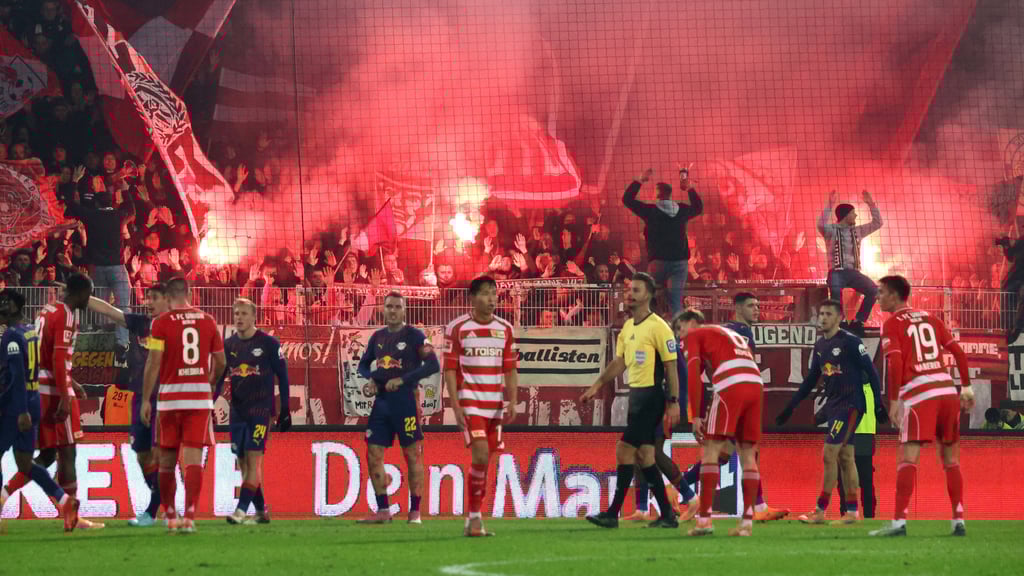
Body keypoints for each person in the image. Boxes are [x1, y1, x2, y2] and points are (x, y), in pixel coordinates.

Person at [869, 275, 973, 537]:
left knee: (908, 458)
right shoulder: (931, 318)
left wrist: (893, 401)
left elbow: (894, 363)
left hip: (920, 394)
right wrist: (967, 387)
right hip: (948, 391)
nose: (878, 297)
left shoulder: (891, 324)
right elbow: (958, 353)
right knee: (950, 460)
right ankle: (958, 520)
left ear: (894, 295)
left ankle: (898, 523)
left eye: (881, 292)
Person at [675, 293, 789, 522]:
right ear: (736, 309)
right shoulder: (739, 332)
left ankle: (683, 496)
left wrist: (694, 410)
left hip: (728, 391)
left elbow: (696, 373)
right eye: (751, 305)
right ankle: (755, 510)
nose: (756, 309)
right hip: (742, 391)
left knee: (719, 453)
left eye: (757, 305)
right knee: (740, 451)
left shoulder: (715, 332)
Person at [581, 272, 681, 529]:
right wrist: (597, 384)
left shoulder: (659, 326)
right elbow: (620, 362)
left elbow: (670, 367)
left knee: (624, 450)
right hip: (636, 396)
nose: (630, 294)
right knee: (645, 456)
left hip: (651, 397)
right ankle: (668, 515)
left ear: (647, 295)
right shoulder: (628, 327)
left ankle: (612, 513)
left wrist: (673, 400)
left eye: (635, 290)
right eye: (628, 290)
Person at [775, 299, 885, 525]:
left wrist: (878, 403)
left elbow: (872, 373)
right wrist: (791, 406)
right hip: (835, 406)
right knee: (846, 457)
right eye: (821, 313)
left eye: (828, 314)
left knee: (829, 453)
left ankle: (820, 510)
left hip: (851, 404)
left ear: (839, 317)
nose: (822, 317)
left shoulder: (851, 342)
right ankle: (853, 513)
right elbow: (810, 381)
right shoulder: (820, 346)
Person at [6, 274, 101, 529]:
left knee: (47, 454)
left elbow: (46, 354)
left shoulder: (47, 310)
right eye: (88, 294)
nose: (88, 300)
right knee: (67, 451)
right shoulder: (67, 314)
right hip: (55, 391)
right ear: (80, 293)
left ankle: (4, 495)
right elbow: (59, 359)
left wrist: (72, 382)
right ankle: (73, 515)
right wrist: (64, 393)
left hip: (40, 386)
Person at [141, 277, 226, 533]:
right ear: (189, 294)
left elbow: (154, 362)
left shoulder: (161, 323)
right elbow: (221, 362)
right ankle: (189, 516)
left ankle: (169, 517)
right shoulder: (208, 321)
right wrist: (209, 383)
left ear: (167, 297)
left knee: (166, 462)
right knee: (193, 461)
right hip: (198, 400)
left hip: (170, 401)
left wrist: (146, 399)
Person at [87, 283, 169, 527]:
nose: (148, 302)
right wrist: (82, 299)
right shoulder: (143, 324)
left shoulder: (176, 327)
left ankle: (155, 511)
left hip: (164, 399)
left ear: (167, 299)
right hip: (140, 397)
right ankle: (163, 503)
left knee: (161, 455)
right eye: (147, 298)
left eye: (154, 298)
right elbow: (111, 311)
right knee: (142, 456)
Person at [356, 291, 440, 525]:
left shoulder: (415, 336)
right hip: (381, 403)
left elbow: (433, 365)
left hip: (406, 401)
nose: (392, 311)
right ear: (383, 309)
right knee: (373, 454)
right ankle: (383, 510)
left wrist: (403, 380)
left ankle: (415, 512)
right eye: (389, 306)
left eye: (397, 307)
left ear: (404, 311)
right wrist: (371, 379)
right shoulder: (377, 337)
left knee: (412, 454)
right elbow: (362, 365)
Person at [444, 276, 518, 537]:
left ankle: (472, 517)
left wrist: (513, 400)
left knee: (485, 462)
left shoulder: (505, 329)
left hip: (495, 405)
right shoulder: (458, 328)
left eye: (494, 294)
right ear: (472, 298)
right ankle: (475, 518)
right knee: (481, 455)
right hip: (471, 402)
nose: (491, 299)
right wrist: (455, 404)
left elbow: (510, 368)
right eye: (486, 294)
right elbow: (450, 370)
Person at [0, 289, 80, 533]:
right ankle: (65, 501)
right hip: (34, 400)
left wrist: (20, 409)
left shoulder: (12, 336)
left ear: (15, 307)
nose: (1, 306)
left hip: (17, 406)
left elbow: (17, 375)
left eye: (5, 302)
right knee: (26, 463)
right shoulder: (30, 331)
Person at [679, 309, 763, 537]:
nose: (680, 335)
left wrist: (695, 415)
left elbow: (693, 375)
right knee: (747, 453)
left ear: (692, 323)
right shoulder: (725, 333)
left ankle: (704, 520)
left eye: (680, 328)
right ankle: (746, 523)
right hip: (755, 383)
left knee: (711, 449)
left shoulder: (694, 335)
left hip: (731, 383)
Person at [219, 298, 291, 525]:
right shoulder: (228, 345)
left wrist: (285, 410)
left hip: (261, 410)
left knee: (253, 459)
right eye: (236, 313)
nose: (239, 317)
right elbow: (220, 378)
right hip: (237, 411)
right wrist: (209, 403)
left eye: (243, 313)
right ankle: (261, 512)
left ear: (254, 317)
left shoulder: (269, 343)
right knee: (242, 462)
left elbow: (284, 377)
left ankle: (240, 511)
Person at [627, 311, 696, 523]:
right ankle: (641, 509)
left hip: (662, 407)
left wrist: (675, 405)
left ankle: (690, 497)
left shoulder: (667, 345)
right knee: (639, 452)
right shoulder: (653, 344)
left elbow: (680, 377)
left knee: (652, 452)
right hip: (648, 405)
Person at [622, 168, 703, 316]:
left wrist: (640, 180)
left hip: (657, 263)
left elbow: (627, 199)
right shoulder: (682, 210)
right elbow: (699, 208)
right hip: (679, 263)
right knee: (675, 303)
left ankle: (653, 330)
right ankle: (677, 336)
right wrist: (689, 188)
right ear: (670, 194)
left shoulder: (650, 211)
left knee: (649, 299)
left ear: (656, 194)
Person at [64, 191, 135, 348]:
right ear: (111, 202)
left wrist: (74, 184)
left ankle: (103, 341)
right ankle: (122, 343)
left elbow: (72, 204)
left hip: (97, 269)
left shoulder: (92, 215)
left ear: (97, 203)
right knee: (123, 306)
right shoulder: (118, 215)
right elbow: (132, 210)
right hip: (117, 268)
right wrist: (126, 192)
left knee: (101, 306)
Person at [816, 190, 883, 336]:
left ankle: (858, 321)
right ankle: (841, 322)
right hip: (836, 271)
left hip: (853, 273)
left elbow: (878, 223)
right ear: (846, 216)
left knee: (874, 291)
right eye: (853, 213)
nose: (856, 216)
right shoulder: (831, 231)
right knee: (835, 291)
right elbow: (820, 224)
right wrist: (830, 204)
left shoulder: (857, 231)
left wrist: (870, 203)